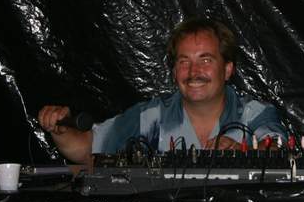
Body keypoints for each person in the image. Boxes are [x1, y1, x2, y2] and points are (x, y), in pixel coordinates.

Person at [38, 18, 286, 164]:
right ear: (174, 71)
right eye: (184, 61)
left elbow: (279, 154)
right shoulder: (152, 115)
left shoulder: (255, 113)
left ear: (228, 69)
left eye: (206, 60)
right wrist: (61, 130)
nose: (193, 71)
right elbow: (87, 149)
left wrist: (242, 153)